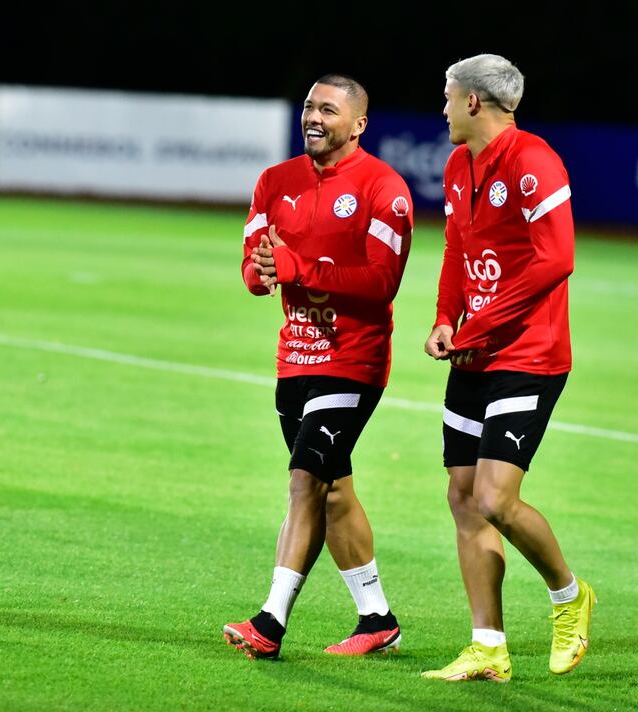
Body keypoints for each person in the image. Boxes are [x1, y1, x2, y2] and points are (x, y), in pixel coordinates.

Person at [224, 74, 414, 660]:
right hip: (295, 357)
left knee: (305, 480)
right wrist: (263, 270)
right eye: (309, 105)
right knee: (331, 494)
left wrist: (300, 267)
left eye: (328, 109)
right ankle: (376, 617)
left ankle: (270, 622)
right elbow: (256, 274)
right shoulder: (274, 181)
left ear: (357, 124)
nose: (313, 116)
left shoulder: (386, 189)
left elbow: (383, 283)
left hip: (353, 361)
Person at [421, 54, 595, 683]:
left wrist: (481, 325)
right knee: (463, 498)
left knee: (496, 498)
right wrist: (446, 317)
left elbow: (556, 261)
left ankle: (568, 595)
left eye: (447, 96)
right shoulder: (456, 165)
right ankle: (487, 645)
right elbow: (456, 251)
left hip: (528, 355)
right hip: (474, 349)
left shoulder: (532, 161)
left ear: (473, 101)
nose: (441, 107)